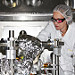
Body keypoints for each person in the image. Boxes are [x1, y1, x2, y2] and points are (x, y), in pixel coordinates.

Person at [37, 4, 75, 75]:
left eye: (59, 20)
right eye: (54, 19)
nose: (55, 23)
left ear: (67, 19)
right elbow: (42, 36)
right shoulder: (52, 25)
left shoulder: (73, 32)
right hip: (57, 70)